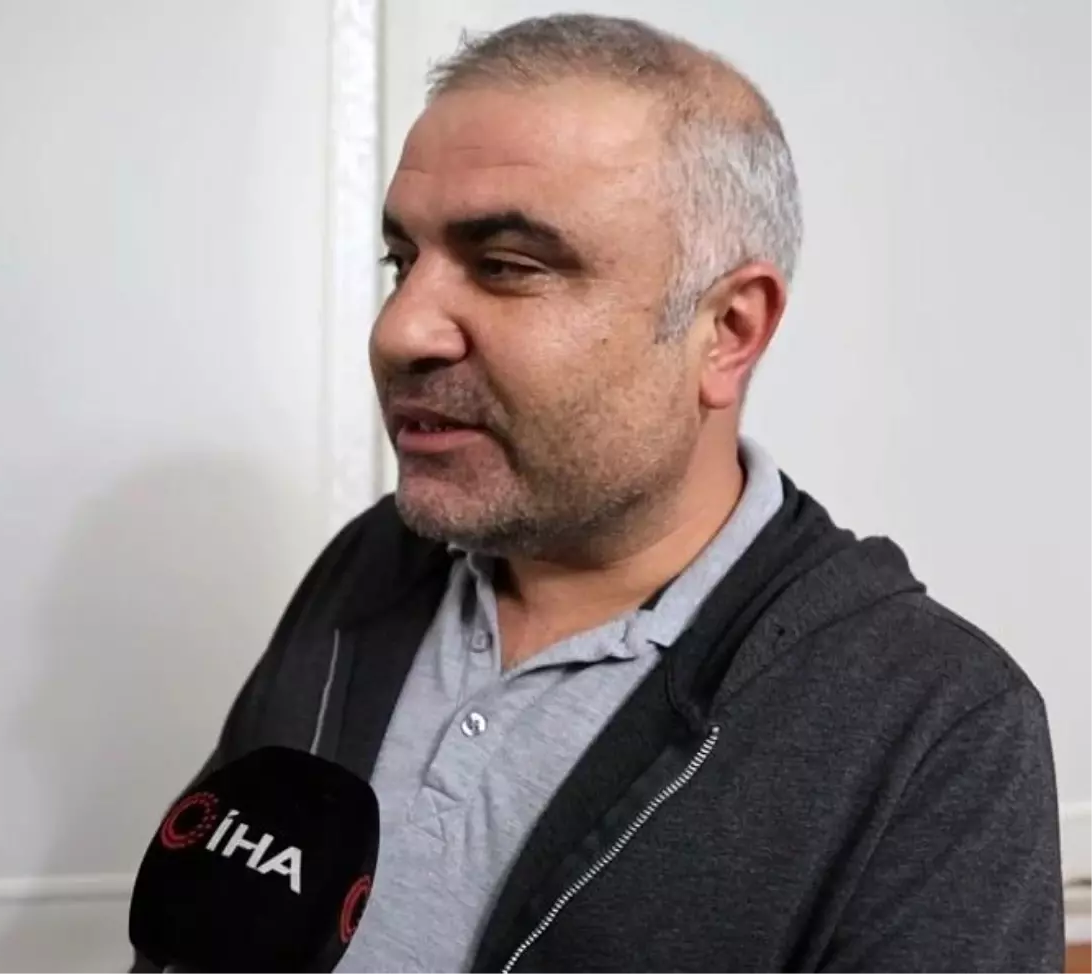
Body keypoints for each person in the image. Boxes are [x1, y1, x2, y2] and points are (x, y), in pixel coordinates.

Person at [134, 13, 1064, 974]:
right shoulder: (374, 563)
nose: (401, 330)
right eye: (401, 262)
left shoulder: (933, 727)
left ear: (728, 330)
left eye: (506, 266)